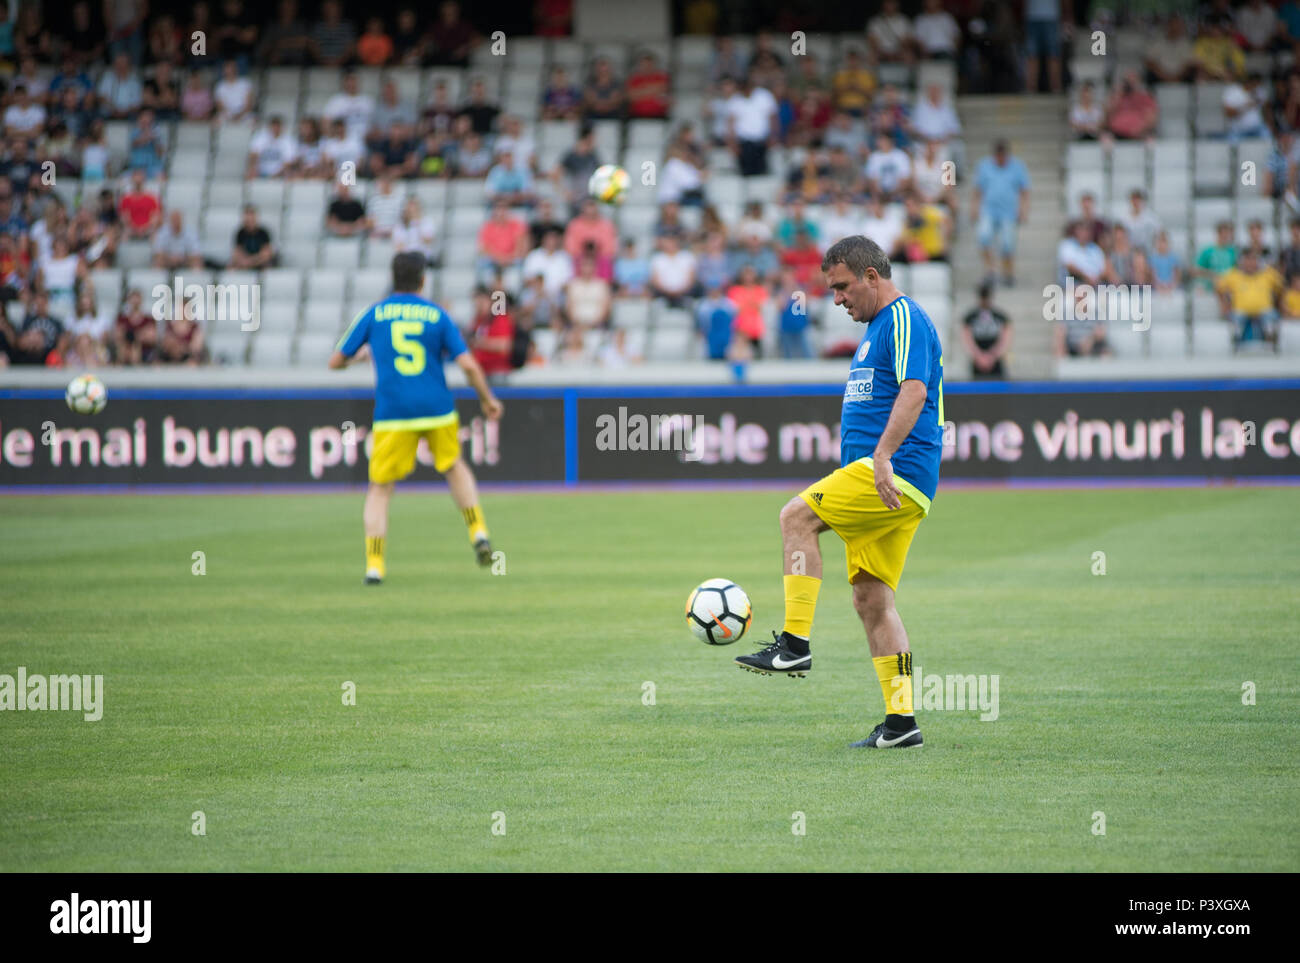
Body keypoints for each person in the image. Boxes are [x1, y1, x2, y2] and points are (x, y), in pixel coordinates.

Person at [734, 235, 943, 751]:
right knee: (873, 600)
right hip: (899, 483)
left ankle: (795, 644)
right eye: (831, 289)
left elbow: (915, 390)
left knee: (795, 519)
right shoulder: (877, 328)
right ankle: (902, 724)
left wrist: (882, 457)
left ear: (873, 276)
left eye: (843, 286)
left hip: (896, 473)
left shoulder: (903, 319)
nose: (838, 298)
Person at [329, 251, 503, 583]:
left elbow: (335, 361)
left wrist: (361, 357)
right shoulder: (437, 315)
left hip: (393, 412)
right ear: (423, 280)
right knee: (454, 465)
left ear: (393, 278)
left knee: (380, 488)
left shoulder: (374, 314)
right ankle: (478, 531)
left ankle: (374, 566)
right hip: (436, 407)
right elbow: (467, 364)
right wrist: (488, 399)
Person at [971, 139, 1030, 286]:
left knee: (1007, 244)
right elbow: (978, 190)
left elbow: (1024, 190)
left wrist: (1023, 209)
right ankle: (990, 270)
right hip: (989, 210)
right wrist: (974, 208)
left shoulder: (1017, 167)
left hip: (1008, 211)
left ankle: (1008, 273)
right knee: (983, 237)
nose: (1000, 159)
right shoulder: (984, 166)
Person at [961, 283, 1012, 378]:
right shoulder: (970, 317)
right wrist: (979, 356)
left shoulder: (1000, 316)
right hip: (978, 361)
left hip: (995, 362)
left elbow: (1006, 338)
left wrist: (992, 356)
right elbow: (967, 339)